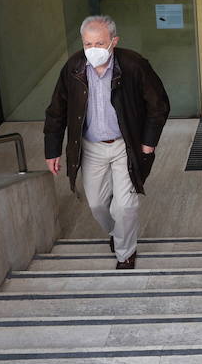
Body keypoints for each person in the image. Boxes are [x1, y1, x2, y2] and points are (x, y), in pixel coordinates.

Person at [44, 15, 170, 269]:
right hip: (91, 148)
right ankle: (117, 232)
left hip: (126, 145)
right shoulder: (73, 69)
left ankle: (125, 252)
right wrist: (52, 149)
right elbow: (56, 111)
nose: (93, 51)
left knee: (125, 206)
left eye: (99, 44)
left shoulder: (134, 65)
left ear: (114, 41)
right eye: (88, 44)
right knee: (98, 203)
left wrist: (148, 143)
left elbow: (159, 104)